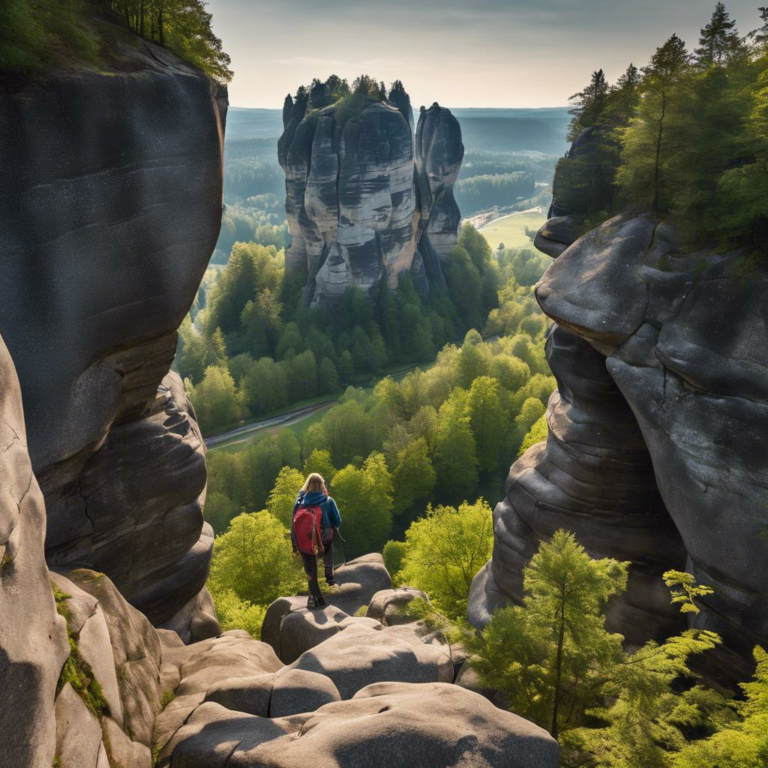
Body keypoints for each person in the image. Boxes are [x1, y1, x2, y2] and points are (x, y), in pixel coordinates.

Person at [291, 472, 342, 609]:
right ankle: (328, 570)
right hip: (322, 540)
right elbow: (337, 522)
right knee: (328, 543)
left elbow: (293, 521)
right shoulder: (327, 500)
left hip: (303, 540)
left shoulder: (300, 501)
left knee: (310, 570)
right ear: (321, 485)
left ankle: (313, 598)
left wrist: (294, 543)